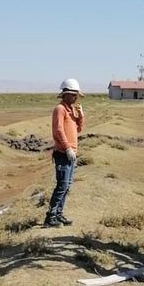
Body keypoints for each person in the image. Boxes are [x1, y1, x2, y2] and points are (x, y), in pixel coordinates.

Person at [44, 78, 85, 227]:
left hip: (70, 154)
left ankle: (59, 213)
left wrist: (80, 116)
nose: (75, 98)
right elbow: (58, 130)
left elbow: (78, 129)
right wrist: (67, 147)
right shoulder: (60, 109)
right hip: (63, 153)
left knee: (66, 185)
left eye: (76, 95)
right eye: (73, 95)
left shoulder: (71, 110)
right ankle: (51, 217)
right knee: (62, 185)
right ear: (66, 94)